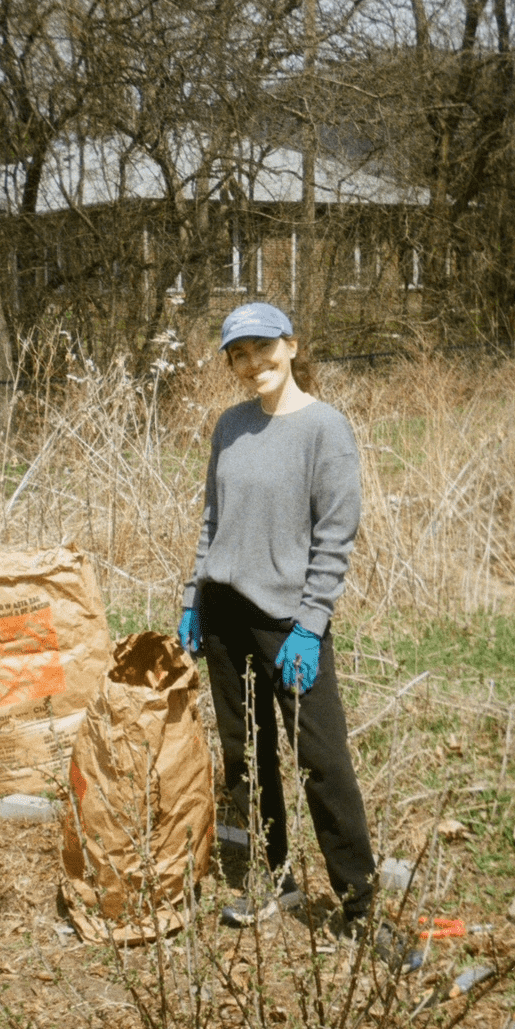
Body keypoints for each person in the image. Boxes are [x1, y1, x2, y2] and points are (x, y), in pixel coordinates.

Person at [178, 301, 385, 949]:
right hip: (223, 616)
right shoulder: (230, 425)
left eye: (262, 348)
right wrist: (193, 595)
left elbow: (335, 534)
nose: (251, 364)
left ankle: (358, 905)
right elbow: (214, 521)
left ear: (292, 345)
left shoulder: (326, 429)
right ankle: (273, 881)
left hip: (290, 624)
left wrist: (310, 622)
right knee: (246, 757)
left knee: (323, 762)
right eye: (237, 354)